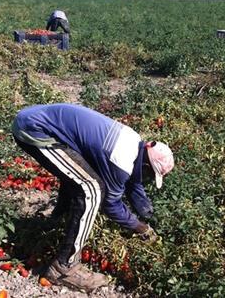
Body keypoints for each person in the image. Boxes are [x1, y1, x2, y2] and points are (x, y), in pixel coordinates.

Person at [11, 103, 174, 292]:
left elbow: (134, 182)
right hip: (35, 129)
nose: (146, 179)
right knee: (91, 188)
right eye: (149, 175)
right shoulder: (120, 160)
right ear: (146, 166)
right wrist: (141, 228)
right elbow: (110, 205)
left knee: (79, 176)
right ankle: (64, 267)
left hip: (37, 118)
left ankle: (56, 220)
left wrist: (148, 213)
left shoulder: (134, 141)